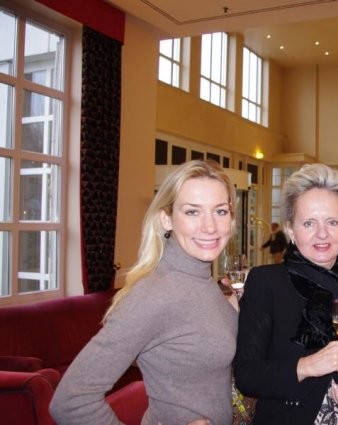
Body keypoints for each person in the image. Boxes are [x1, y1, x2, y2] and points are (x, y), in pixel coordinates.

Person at [50, 160, 239, 425]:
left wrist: (238, 306)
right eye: (192, 212)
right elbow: (70, 401)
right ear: (166, 219)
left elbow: (193, 335)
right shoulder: (154, 294)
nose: (210, 227)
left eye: (220, 211)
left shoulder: (201, 279)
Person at [234, 163, 338, 424]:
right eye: (308, 223)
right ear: (290, 229)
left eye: (332, 222)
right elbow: (247, 375)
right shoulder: (265, 282)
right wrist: (307, 366)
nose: (322, 234)